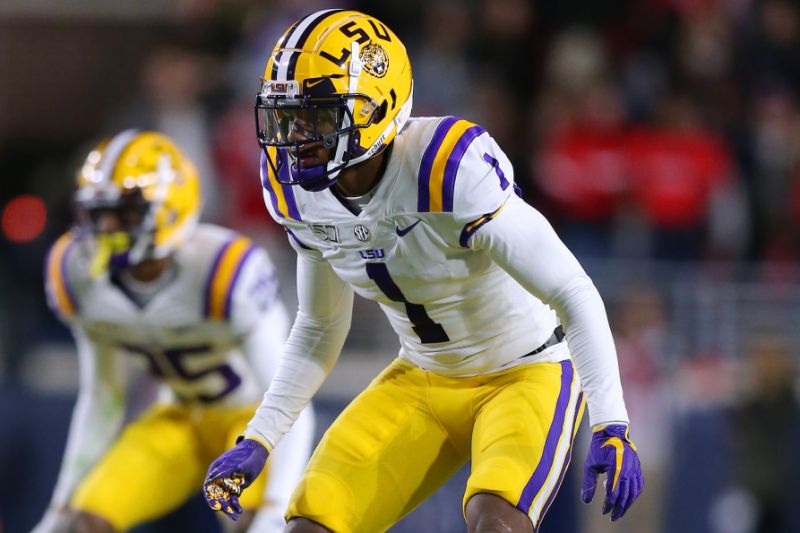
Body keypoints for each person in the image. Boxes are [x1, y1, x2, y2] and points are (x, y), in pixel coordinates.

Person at [204, 9, 643, 532]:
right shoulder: (295, 190)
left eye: (317, 115)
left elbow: (572, 290)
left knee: (495, 521)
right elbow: (319, 327)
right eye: (290, 115)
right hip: (422, 376)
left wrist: (611, 423)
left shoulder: (446, 168)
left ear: (376, 107)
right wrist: (260, 437)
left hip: (527, 371)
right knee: (311, 522)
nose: (298, 135)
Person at [34, 130, 315, 533]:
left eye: (125, 212)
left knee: (251, 522)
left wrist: (273, 509)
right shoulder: (77, 275)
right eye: (99, 212)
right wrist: (59, 509)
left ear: (170, 208)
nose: (107, 226)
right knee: (85, 523)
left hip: (252, 423)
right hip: (178, 418)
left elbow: (291, 400)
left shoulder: (223, 270)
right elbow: (102, 397)